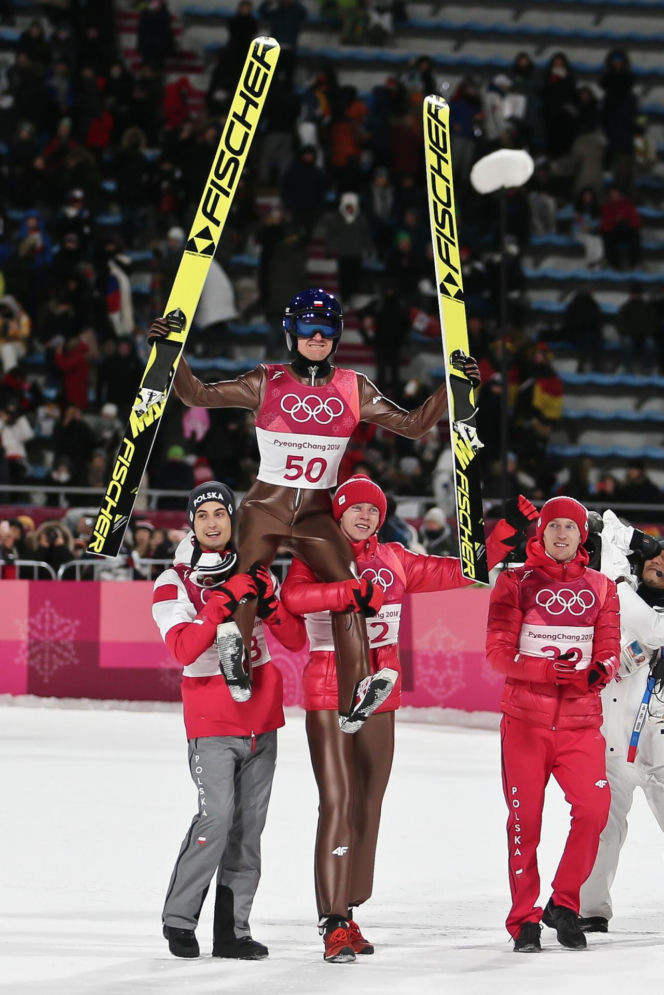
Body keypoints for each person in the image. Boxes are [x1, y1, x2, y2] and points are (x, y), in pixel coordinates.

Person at [147, 288, 481, 731]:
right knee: (246, 581)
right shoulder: (267, 381)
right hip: (266, 506)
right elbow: (195, 395)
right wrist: (168, 351)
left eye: (327, 327)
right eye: (307, 325)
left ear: (339, 334)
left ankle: (357, 688)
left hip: (316, 515)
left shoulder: (353, 387)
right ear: (291, 331)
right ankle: (237, 657)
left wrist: (454, 388)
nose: (318, 336)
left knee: (352, 589)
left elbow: (415, 425)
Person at [280, 476, 538, 962]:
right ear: (339, 514)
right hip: (329, 688)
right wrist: (349, 594)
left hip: (382, 688)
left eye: (373, 512)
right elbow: (294, 598)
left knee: (369, 801)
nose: (365, 517)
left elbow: (460, 572)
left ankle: (350, 909)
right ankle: (332, 920)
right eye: (356, 510)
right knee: (337, 799)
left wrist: (504, 531)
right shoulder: (315, 554)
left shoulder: (395, 558)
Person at [152, 481, 306, 960]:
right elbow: (182, 648)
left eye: (221, 513)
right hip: (212, 720)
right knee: (215, 817)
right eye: (204, 516)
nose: (214, 523)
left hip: (262, 718)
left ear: (233, 520)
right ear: (192, 525)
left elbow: (296, 641)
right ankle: (179, 920)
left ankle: (231, 931)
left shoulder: (255, 570)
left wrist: (271, 602)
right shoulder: (172, 582)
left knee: (247, 831)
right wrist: (222, 599)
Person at [486, 496, 620, 953]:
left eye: (570, 526)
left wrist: (600, 670)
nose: (561, 533)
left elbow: (609, 647)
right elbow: (498, 654)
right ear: (539, 532)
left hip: (583, 725)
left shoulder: (603, 587)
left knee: (595, 810)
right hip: (525, 722)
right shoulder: (514, 581)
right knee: (526, 823)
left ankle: (563, 904)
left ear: (583, 535)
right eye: (553, 525)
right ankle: (523, 918)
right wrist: (545, 671)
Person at [579, 511, 664, 932]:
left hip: (661, 752)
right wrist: (616, 533)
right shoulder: (610, 604)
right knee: (603, 831)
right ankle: (591, 910)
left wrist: (617, 580)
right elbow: (601, 525)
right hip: (613, 745)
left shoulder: (626, 600)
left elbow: (652, 631)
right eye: (656, 556)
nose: (660, 562)